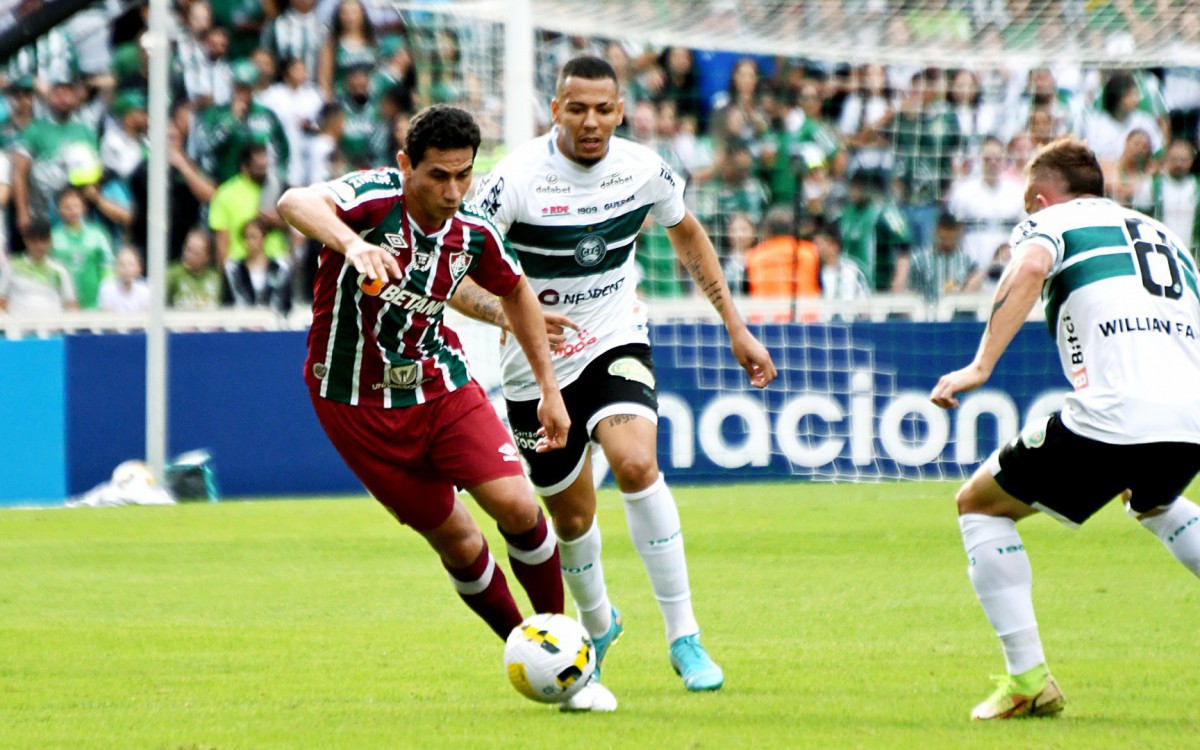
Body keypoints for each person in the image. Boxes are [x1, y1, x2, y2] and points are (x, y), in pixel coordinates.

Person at [452, 55, 777, 705]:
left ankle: (685, 635)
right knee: (571, 519)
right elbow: (454, 276)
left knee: (634, 463)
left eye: (604, 108)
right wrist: (510, 316)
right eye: (577, 108)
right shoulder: (512, 180)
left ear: (622, 110)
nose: (591, 121)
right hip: (532, 365)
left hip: (613, 336)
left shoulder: (643, 169)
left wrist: (735, 324)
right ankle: (599, 625)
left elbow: (688, 238)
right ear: (556, 110)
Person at [276, 105, 573, 654]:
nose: (453, 190)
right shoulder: (374, 200)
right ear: (406, 165)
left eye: (465, 174)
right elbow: (294, 201)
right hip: (353, 403)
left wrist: (549, 391)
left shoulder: (471, 231)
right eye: (439, 175)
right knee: (459, 541)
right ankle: (532, 653)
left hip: (439, 385)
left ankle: (564, 639)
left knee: (517, 505)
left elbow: (514, 292)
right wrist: (354, 243)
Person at [930, 137, 1200, 720]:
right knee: (1151, 501)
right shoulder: (1165, 236)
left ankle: (1028, 681)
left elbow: (1028, 267)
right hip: (1191, 416)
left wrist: (980, 366)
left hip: (1118, 411)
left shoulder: (1049, 221)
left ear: (1037, 197)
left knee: (980, 505)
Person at [0, 217, 77, 313]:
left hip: (52, 325)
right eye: (34, 241)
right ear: (26, 241)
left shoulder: (59, 270)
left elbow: (71, 303)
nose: (40, 246)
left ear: (50, 241)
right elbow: (2, 300)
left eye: (44, 241)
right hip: (19, 326)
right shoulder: (11, 266)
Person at [167, 228, 224, 309]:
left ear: (207, 256)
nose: (189, 255)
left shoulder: (216, 277)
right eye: (188, 249)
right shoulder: (172, 274)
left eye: (196, 253)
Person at [98, 246, 150, 312]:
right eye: (122, 264)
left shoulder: (146, 290)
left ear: (139, 268)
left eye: (131, 264)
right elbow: (108, 317)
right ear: (115, 268)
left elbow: (146, 317)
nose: (126, 269)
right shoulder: (106, 288)